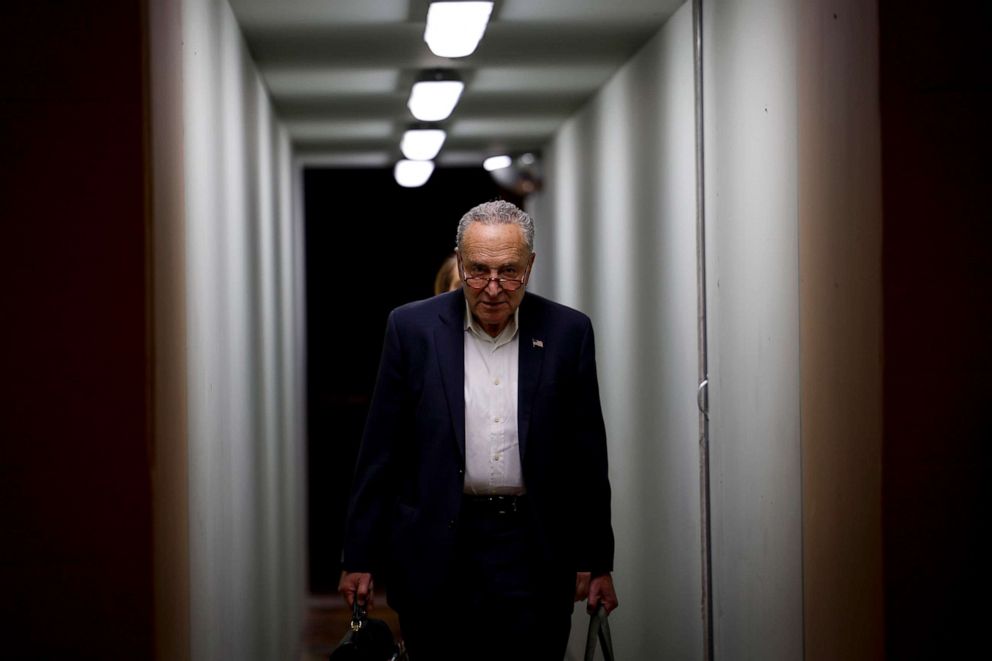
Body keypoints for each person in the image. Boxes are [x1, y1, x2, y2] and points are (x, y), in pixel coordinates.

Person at [338, 200, 618, 660]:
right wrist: (359, 558)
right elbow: (380, 451)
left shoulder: (568, 332)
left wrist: (597, 560)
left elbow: (586, 454)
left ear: (530, 265)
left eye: (509, 272)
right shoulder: (412, 328)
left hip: (534, 552)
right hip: (437, 547)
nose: (492, 288)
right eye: (478, 271)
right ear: (460, 262)